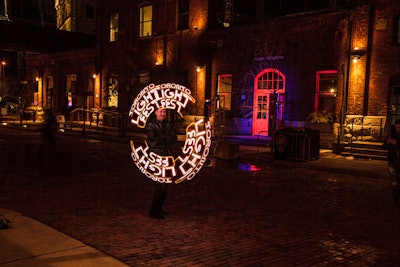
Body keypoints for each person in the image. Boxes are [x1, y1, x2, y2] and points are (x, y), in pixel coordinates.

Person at [145, 107, 177, 219]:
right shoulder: (151, 125)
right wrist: (165, 137)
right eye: (160, 111)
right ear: (155, 113)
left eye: (164, 112)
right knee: (160, 185)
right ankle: (153, 211)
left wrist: (164, 137)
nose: (162, 114)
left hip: (167, 155)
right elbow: (153, 141)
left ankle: (159, 208)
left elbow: (174, 138)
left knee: (166, 184)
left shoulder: (168, 124)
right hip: (157, 156)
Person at [384, 119, 400, 207]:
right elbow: (384, 146)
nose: (398, 129)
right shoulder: (392, 135)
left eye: (399, 127)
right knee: (394, 182)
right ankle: (396, 200)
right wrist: (387, 142)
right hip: (392, 161)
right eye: (396, 127)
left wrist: (396, 143)